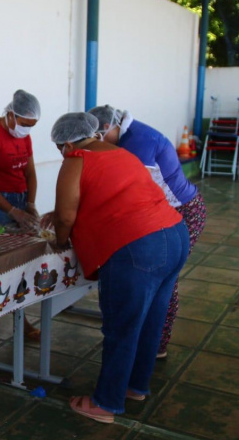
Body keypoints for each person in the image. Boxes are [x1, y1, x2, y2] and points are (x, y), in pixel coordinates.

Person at [47, 112, 188, 424]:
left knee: (122, 326)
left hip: (139, 247)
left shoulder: (76, 159)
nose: (62, 154)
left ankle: (105, 403)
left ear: (68, 143)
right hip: (175, 235)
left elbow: (67, 217)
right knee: (151, 319)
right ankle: (135, 386)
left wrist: (58, 240)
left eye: (60, 149)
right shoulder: (121, 153)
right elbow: (108, 196)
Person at [88, 105, 206, 359]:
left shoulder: (139, 142)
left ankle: (156, 344)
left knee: (164, 277)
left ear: (108, 127)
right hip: (164, 211)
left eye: (97, 137)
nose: (96, 144)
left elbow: (128, 190)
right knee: (157, 276)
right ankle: (147, 341)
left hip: (183, 211)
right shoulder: (127, 137)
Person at [0, 89, 42, 341]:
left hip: (20, 198)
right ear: (11, 115)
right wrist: (10, 209)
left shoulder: (24, 137)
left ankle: (20, 318)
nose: (26, 130)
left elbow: (30, 172)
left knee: (20, 264)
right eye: (24, 124)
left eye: (32, 126)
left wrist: (30, 203)